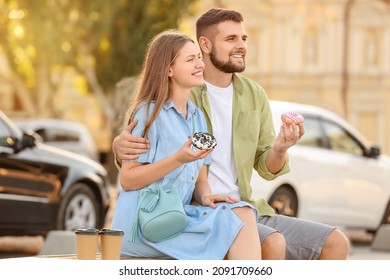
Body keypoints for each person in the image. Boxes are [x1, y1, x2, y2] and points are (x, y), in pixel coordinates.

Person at [113, 8, 350, 260]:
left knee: (336, 243)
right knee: (271, 242)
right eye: (231, 39)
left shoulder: (248, 96)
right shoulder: (183, 92)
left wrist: (280, 148)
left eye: (243, 39)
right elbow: (141, 146)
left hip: (242, 204)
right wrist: (119, 145)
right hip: (190, 211)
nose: (242, 46)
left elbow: (266, 167)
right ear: (205, 44)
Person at [111, 29, 261, 260]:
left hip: (176, 217)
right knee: (233, 229)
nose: (199, 64)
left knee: (243, 212)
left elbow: (201, 179)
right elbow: (128, 179)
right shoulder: (148, 114)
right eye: (190, 60)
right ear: (168, 69)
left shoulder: (198, 117)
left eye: (198, 58)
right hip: (143, 224)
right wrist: (177, 159)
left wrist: (206, 197)